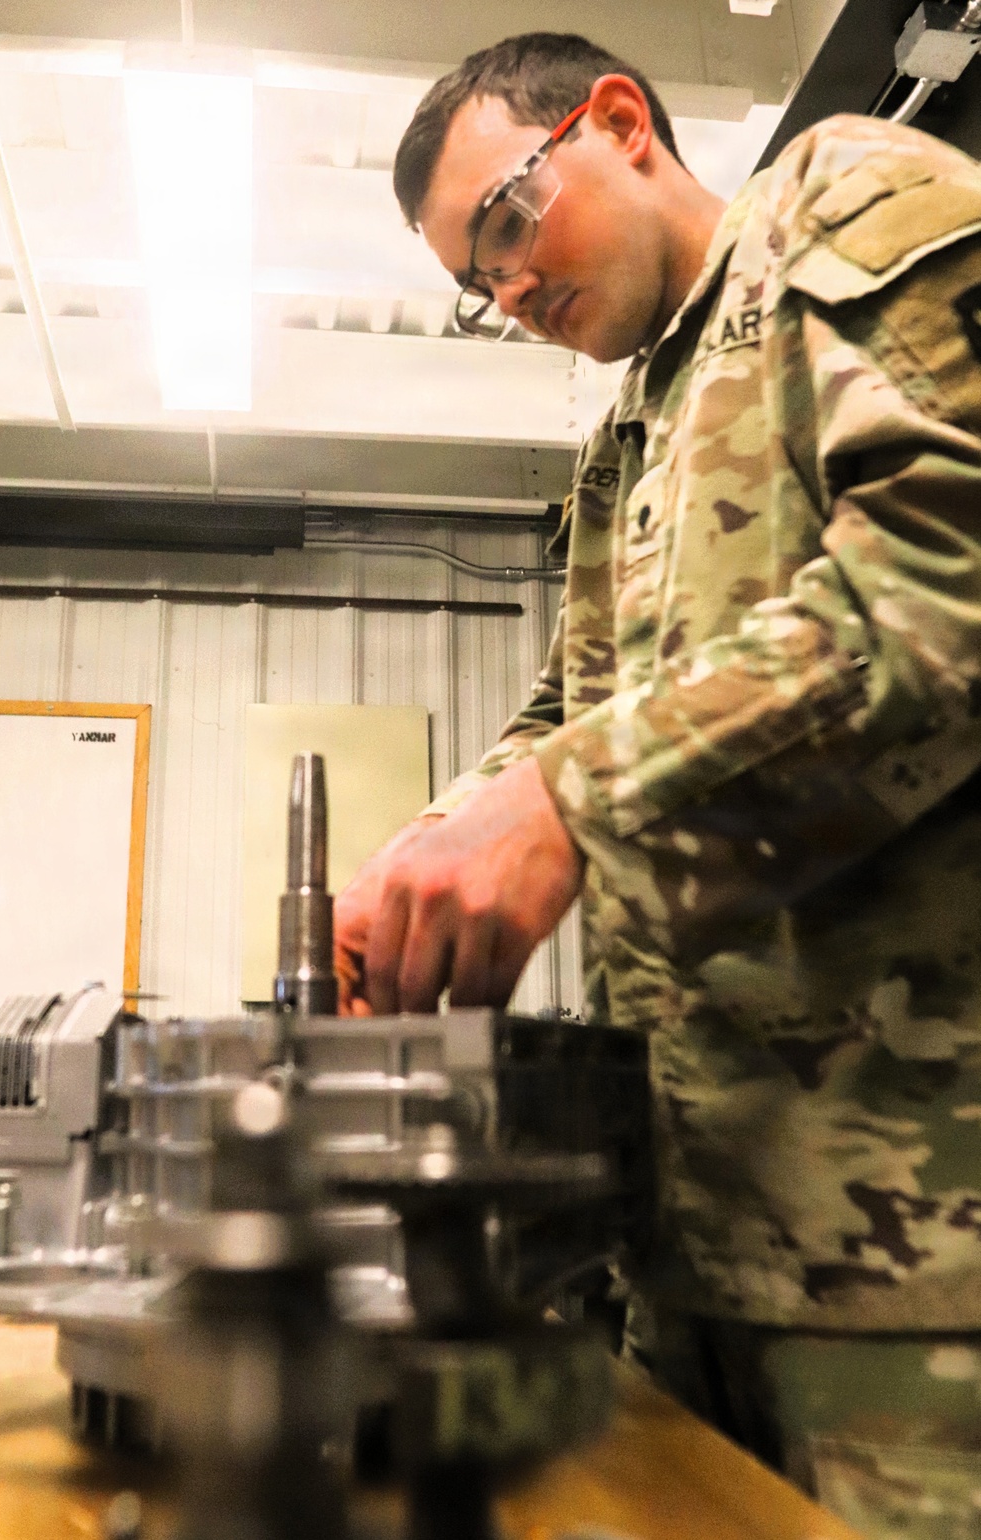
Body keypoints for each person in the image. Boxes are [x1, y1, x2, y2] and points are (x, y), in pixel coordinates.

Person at [335, 32, 981, 1536]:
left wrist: (571, 804)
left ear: (617, 122)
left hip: (919, 1275)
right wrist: (435, 841)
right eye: (478, 283)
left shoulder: (846, 203)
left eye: (507, 224)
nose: (511, 290)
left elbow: (948, 581)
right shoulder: (631, 434)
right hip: (702, 1239)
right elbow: (578, 709)